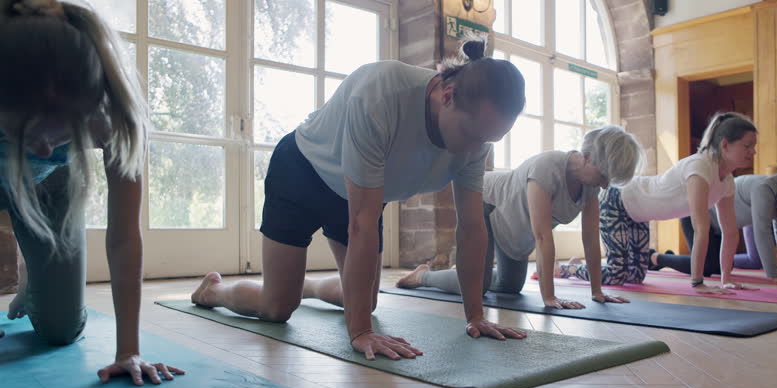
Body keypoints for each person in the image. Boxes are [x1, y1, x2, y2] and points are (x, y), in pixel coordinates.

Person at [191, 37, 528, 361]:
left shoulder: (476, 139)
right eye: (471, 135)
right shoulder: (381, 94)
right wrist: (360, 332)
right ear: (448, 96)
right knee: (276, 308)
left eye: (487, 140)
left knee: (365, 300)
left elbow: (471, 228)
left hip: (356, 194)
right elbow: (362, 223)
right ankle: (213, 291)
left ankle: (300, 285)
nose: (474, 150)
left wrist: (475, 316)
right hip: (300, 175)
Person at [0, 0, 183, 384]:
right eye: (26, 133)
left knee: (60, 332)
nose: (47, 149)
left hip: (49, 186)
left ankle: (32, 273)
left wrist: (128, 350)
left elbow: (123, 238)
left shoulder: (114, 117)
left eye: (62, 132)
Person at [395, 126, 644, 308]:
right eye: (603, 177)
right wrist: (549, 297)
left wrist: (597, 292)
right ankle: (424, 276)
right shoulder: (548, 167)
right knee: (477, 287)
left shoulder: (589, 186)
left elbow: (590, 237)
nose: (603, 187)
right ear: (588, 157)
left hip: (512, 227)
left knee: (509, 286)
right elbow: (542, 236)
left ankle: (466, 269)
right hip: (485, 202)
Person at [561, 112, 757, 294]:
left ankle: (578, 264)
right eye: (747, 146)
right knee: (616, 275)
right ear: (725, 145)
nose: (753, 152)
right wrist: (698, 282)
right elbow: (700, 228)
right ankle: (567, 268)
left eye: (754, 146)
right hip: (618, 200)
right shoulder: (700, 166)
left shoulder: (727, 181)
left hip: (639, 214)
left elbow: (730, 232)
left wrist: (726, 278)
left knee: (637, 277)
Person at [655, 169, 777, 282]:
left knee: (718, 267)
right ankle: (655, 258)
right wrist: (774, 276)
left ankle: (668, 258)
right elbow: (762, 230)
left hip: (722, 229)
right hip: (697, 217)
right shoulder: (765, 188)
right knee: (708, 269)